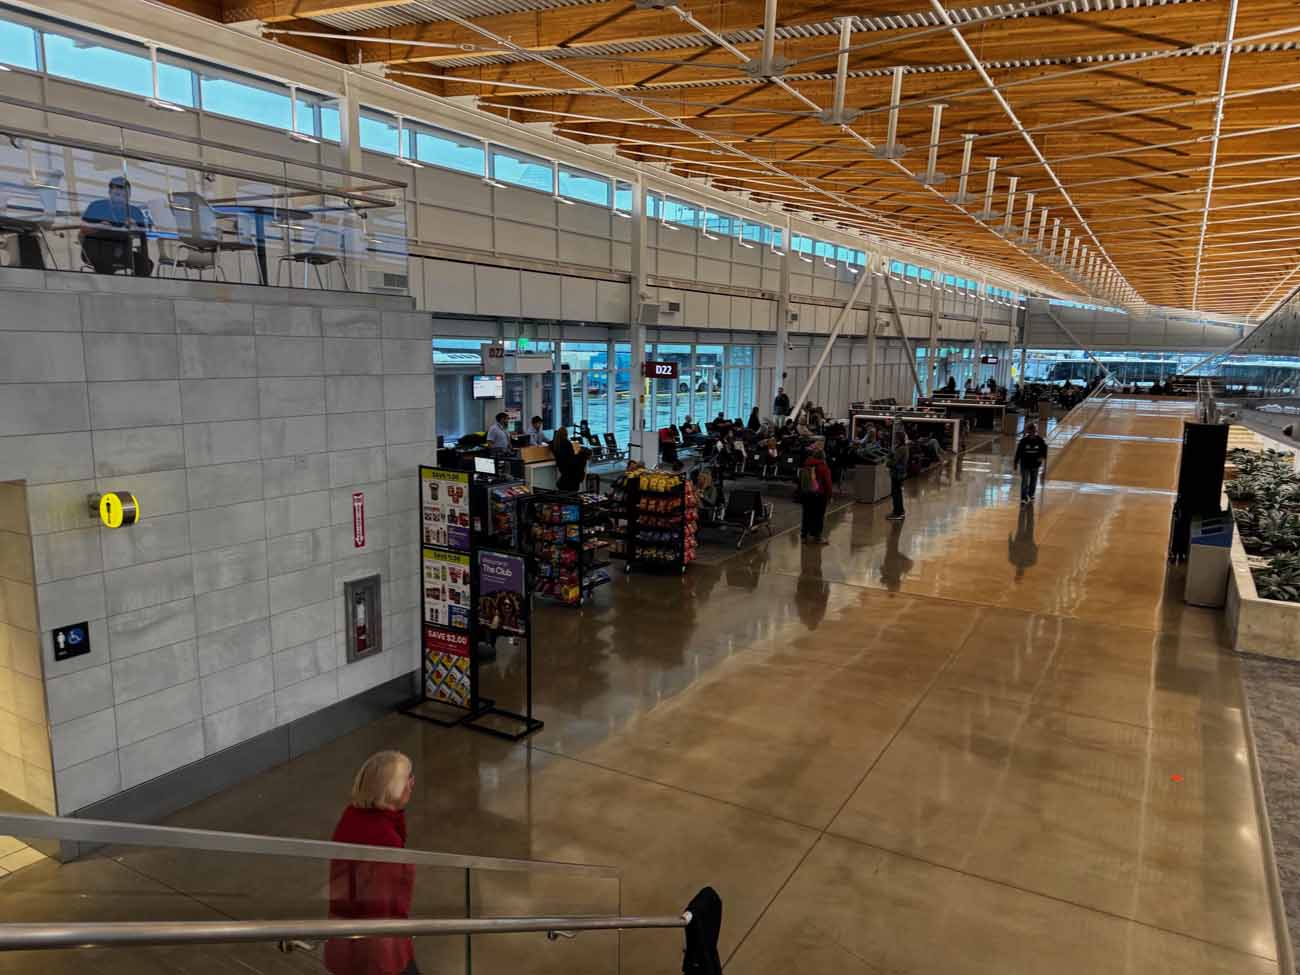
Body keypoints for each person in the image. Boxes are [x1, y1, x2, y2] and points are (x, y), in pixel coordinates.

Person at [326, 751, 418, 975]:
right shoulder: (385, 840)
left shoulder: (353, 815)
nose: (412, 783)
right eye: (408, 778)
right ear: (392, 789)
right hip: (377, 947)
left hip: (348, 934)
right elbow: (384, 903)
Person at [80, 176, 153, 277]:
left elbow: (146, 233)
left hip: (123, 252)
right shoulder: (97, 206)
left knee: (146, 264)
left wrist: (135, 227)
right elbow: (83, 228)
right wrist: (99, 226)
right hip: (97, 250)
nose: (121, 199)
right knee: (106, 262)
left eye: (125, 196)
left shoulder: (134, 211)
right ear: (110, 193)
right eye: (117, 195)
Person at [799, 444, 833, 544]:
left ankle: (804, 536)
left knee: (806, 515)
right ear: (823, 457)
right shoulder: (824, 467)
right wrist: (830, 496)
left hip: (806, 493)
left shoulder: (806, 464)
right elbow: (828, 483)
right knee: (818, 516)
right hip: (819, 495)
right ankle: (817, 537)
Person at [1013, 421, 1049, 505]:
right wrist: (1015, 462)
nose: (1032, 433)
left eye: (1033, 431)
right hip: (1025, 464)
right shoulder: (1023, 441)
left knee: (1033, 480)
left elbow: (1045, 450)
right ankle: (1023, 497)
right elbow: (1018, 452)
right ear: (1028, 432)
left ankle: (1031, 494)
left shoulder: (1040, 440)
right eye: (1030, 431)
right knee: (1025, 481)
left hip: (1035, 465)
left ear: (1035, 431)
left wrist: (1042, 457)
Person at [552, 426, 588, 491]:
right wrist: (580, 454)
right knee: (582, 457)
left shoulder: (555, 444)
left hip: (563, 469)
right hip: (570, 470)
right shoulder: (567, 443)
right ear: (566, 434)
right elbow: (571, 457)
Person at [887, 430, 909, 521]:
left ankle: (898, 513)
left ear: (899, 439)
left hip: (897, 474)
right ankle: (899, 511)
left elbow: (893, 462)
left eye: (896, 437)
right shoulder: (903, 447)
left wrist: (888, 461)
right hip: (900, 473)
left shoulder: (901, 449)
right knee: (897, 493)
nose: (895, 439)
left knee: (896, 494)